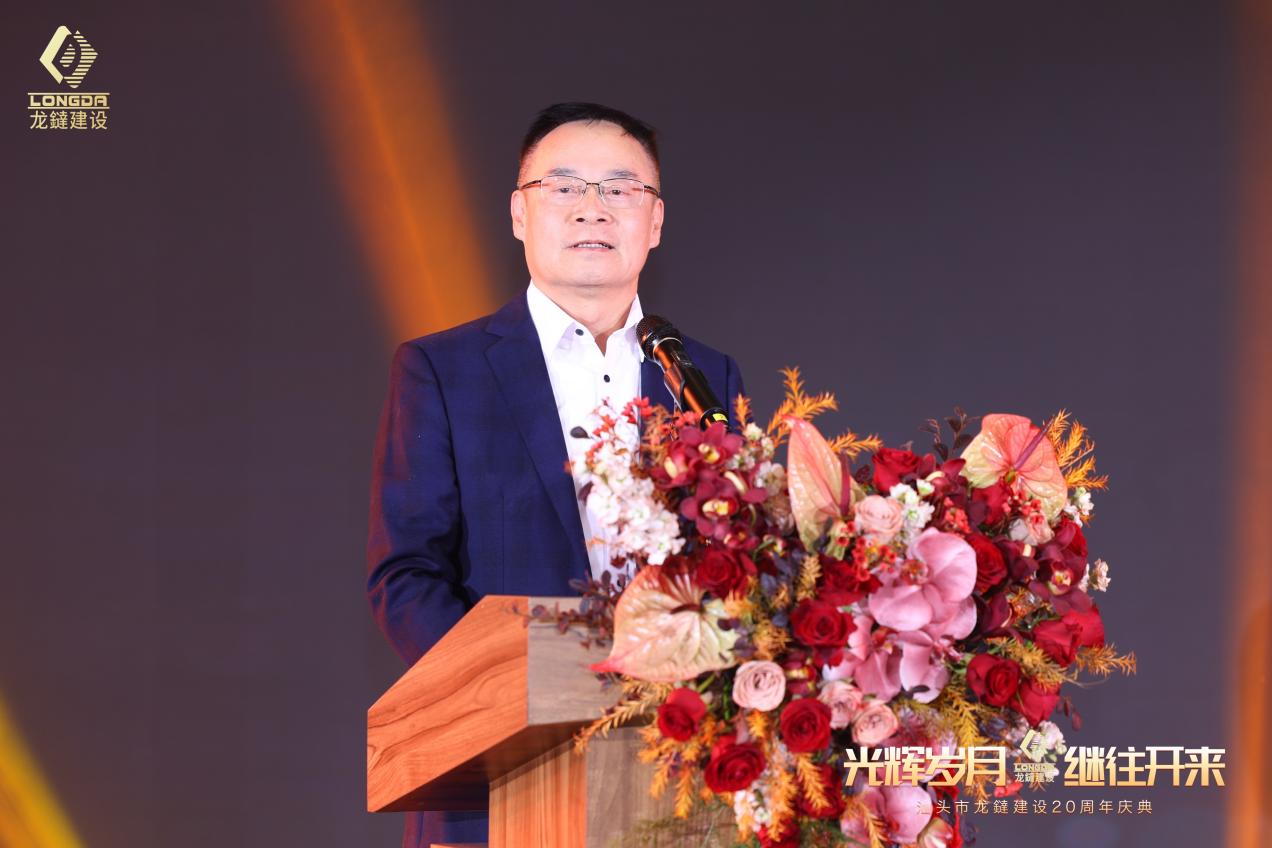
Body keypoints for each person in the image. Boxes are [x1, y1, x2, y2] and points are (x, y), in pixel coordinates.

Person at [366, 102, 745, 847]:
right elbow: (405, 574)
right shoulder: (443, 369)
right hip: (503, 777)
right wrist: (521, 684)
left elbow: (736, 561)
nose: (591, 208)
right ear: (519, 213)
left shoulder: (702, 375)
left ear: (655, 221)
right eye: (564, 187)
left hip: (680, 775)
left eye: (620, 189)